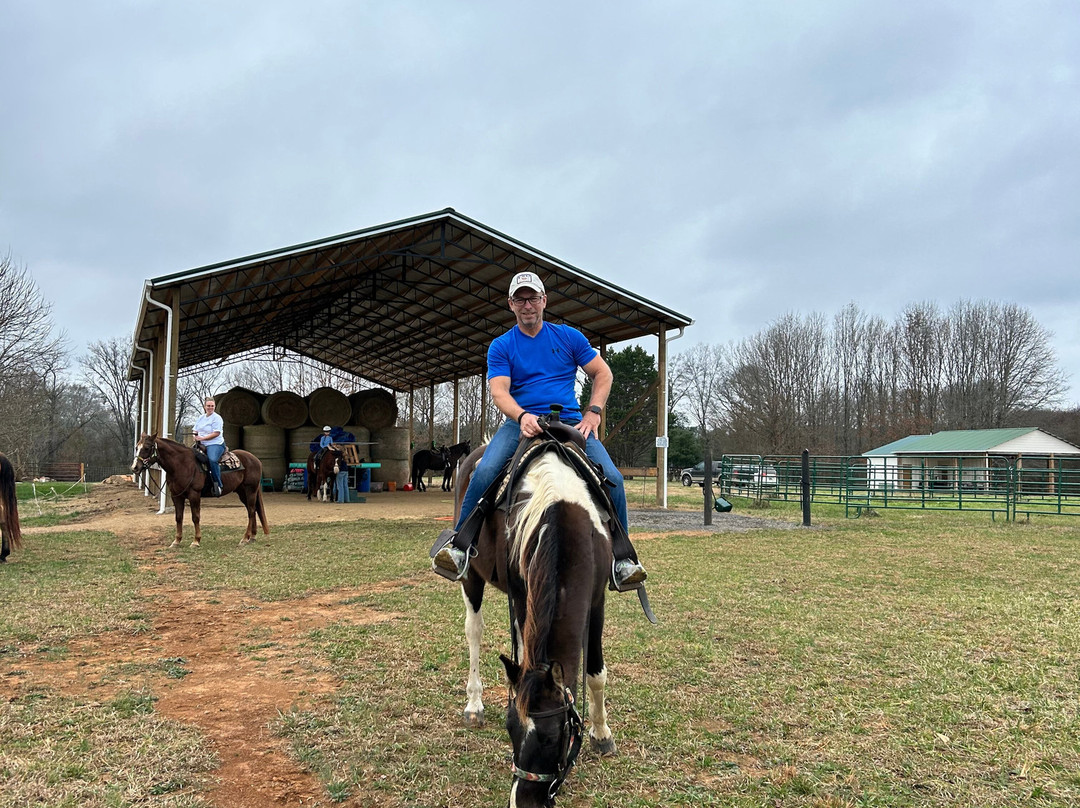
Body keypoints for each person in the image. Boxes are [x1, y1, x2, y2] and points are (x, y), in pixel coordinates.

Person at [432, 271, 647, 591]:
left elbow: (603, 373)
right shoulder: (502, 346)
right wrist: (520, 416)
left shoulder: (568, 337)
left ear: (544, 301)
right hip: (520, 422)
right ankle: (460, 546)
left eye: (533, 297)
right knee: (485, 468)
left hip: (570, 422)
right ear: (511, 304)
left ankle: (622, 558)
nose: (527, 304)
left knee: (613, 477)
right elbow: (499, 391)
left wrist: (593, 413)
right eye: (520, 298)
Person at [193, 397, 225, 497]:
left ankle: (218, 485)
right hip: (201, 443)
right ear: (204, 406)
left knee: (212, 460)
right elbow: (195, 430)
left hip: (215, 443)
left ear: (214, 407)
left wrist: (202, 438)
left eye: (212, 406)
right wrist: (194, 436)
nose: (210, 408)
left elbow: (216, 433)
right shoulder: (201, 418)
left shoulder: (217, 418)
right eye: (208, 406)